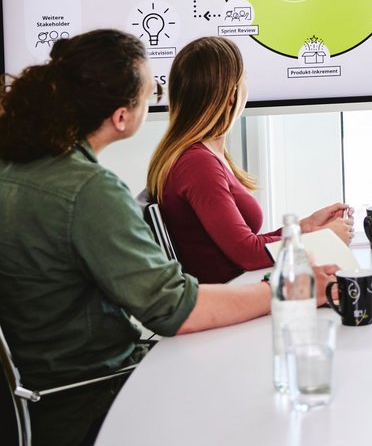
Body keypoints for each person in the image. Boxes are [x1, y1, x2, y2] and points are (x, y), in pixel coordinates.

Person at [0, 30, 337, 446]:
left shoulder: (16, 169)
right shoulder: (88, 190)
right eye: (151, 91)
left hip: (56, 393)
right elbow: (173, 309)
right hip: (97, 397)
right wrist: (293, 289)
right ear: (122, 117)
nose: (159, 95)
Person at [146, 36, 351, 284]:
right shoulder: (198, 164)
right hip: (234, 299)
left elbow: (241, 245)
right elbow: (248, 253)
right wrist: (321, 239)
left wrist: (304, 227)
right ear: (232, 95)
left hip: (241, 288)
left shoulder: (206, 155)